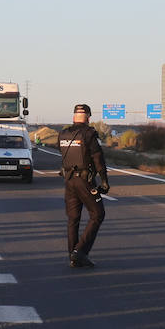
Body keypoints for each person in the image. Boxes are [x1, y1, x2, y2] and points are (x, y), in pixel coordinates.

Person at [58, 104, 108, 268]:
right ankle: (80, 252)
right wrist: (104, 180)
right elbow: (97, 158)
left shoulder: (63, 134)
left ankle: (73, 254)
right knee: (98, 213)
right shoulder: (88, 134)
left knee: (73, 219)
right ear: (88, 118)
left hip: (69, 181)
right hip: (84, 181)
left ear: (74, 117)